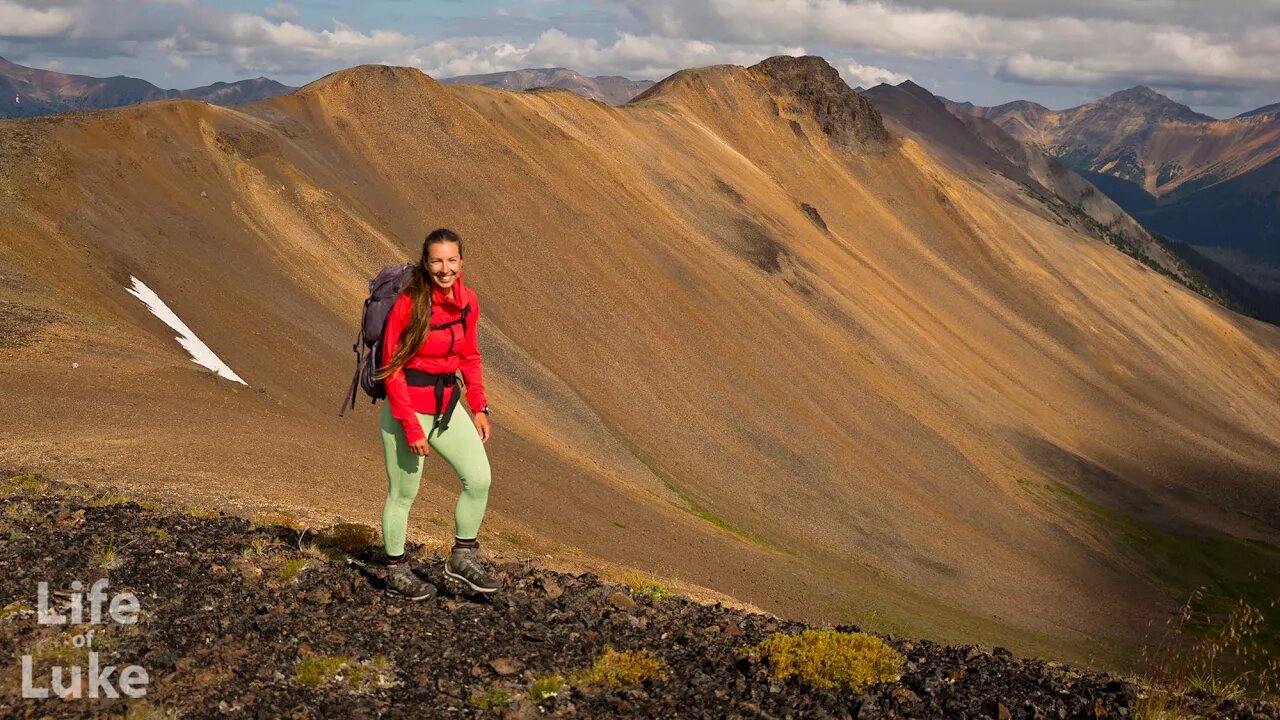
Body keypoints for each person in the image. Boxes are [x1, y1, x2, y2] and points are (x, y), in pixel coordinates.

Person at [373, 227, 499, 599]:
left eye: (452, 260)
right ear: (426, 264)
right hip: (406, 410)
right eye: (437, 261)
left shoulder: (468, 302)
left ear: (462, 261)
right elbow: (391, 368)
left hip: (447, 407)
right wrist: (411, 428)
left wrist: (478, 406)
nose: (445, 268)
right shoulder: (410, 305)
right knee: (403, 494)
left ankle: (462, 557)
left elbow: (470, 357)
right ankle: (395, 571)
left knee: (479, 478)